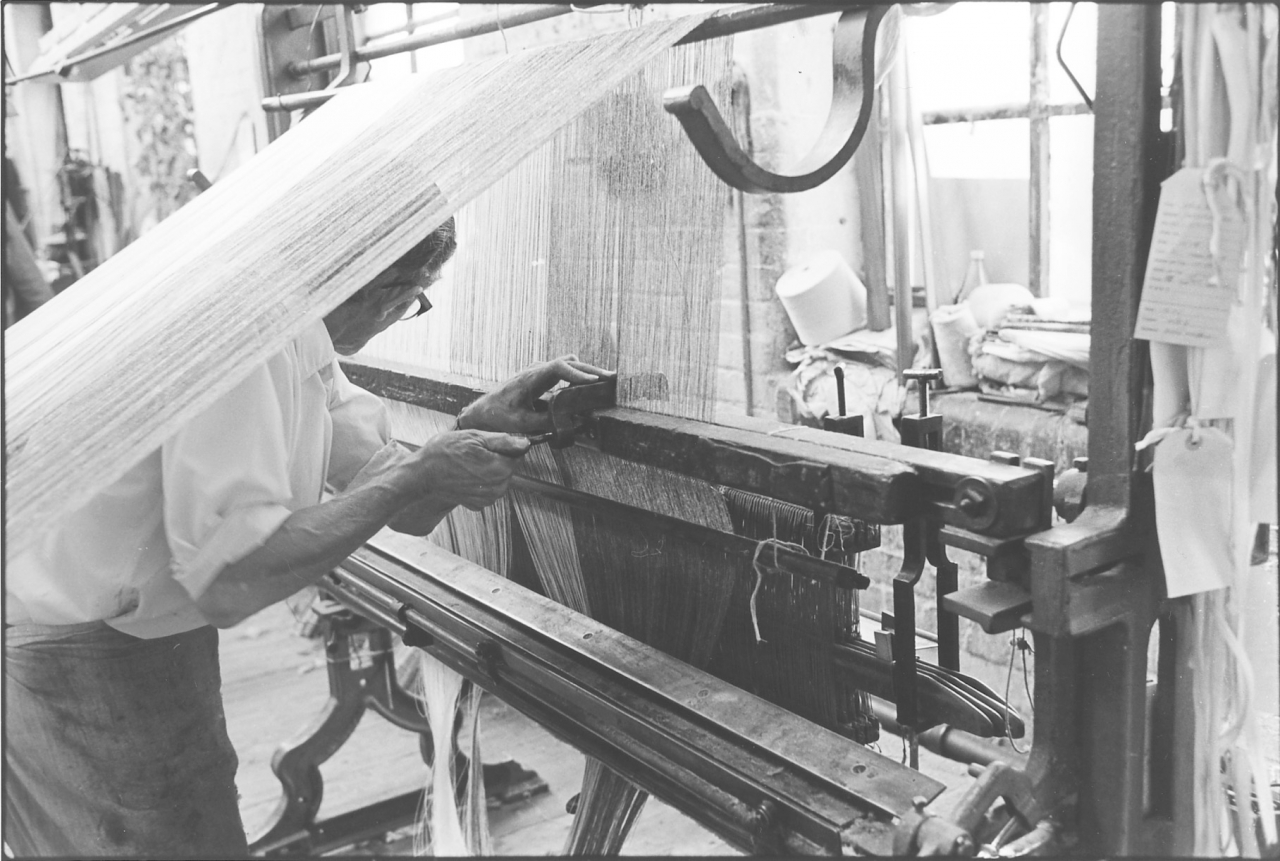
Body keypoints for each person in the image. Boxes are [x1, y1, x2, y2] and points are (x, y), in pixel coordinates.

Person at [2, 216, 612, 857]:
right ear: (384, 289)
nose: (403, 316)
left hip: (118, 635)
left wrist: (469, 429)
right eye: (415, 301)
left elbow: (389, 489)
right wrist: (419, 474)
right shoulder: (244, 330)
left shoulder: (299, 329)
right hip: (74, 651)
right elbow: (229, 582)